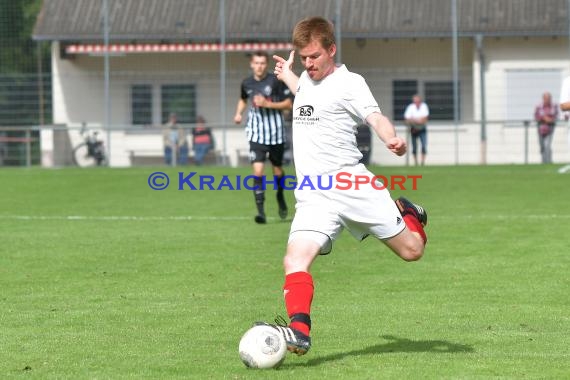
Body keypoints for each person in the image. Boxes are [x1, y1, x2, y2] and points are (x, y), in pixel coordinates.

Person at [259, 17, 428, 356]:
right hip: (313, 194)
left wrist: (391, 138)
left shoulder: (351, 83)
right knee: (294, 259)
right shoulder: (307, 78)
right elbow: (307, 93)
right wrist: (288, 75)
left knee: (413, 251)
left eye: (314, 57)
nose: (309, 63)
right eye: (303, 58)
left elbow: (375, 117)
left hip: (353, 186)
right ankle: (299, 331)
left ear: (331, 50)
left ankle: (407, 211)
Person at [234, 50, 293, 224]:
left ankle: (280, 195)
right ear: (251, 64)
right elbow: (243, 99)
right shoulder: (247, 83)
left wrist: (268, 104)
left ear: (266, 65)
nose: (259, 66)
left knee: (277, 171)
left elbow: (288, 105)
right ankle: (261, 213)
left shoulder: (275, 81)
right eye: (256, 63)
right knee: (258, 172)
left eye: (262, 63)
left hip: (275, 134)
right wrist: (238, 113)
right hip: (256, 134)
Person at [404, 94, 430, 166]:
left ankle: (422, 163)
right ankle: (416, 163)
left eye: (418, 101)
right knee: (414, 146)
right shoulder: (410, 107)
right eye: (415, 101)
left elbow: (424, 119)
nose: (416, 103)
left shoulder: (424, 106)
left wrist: (413, 119)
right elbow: (407, 120)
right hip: (413, 129)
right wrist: (418, 120)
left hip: (422, 129)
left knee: (424, 145)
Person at [534, 92, 557, 164]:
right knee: (542, 146)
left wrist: (549, 120)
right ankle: (544, 162)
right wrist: (544, 118)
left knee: (548, 145)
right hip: (541, 128)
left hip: (550, 128)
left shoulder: (554, 106)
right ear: (543, 99)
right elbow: (536, 116)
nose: (547, 100)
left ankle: (548, 162)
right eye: (546, 98)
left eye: (548, 98)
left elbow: (555, 116)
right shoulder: (539, 106)